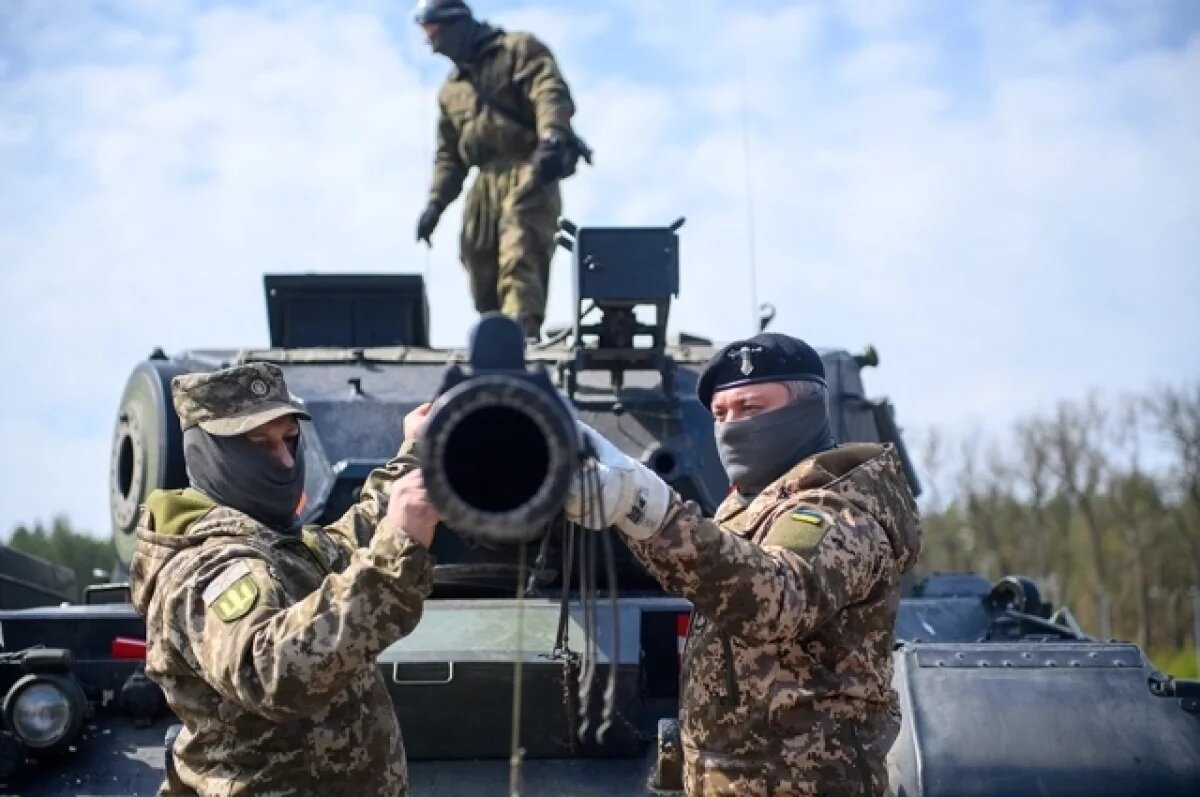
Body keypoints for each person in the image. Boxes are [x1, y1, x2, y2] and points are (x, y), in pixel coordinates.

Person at [564, 333, 923, 796]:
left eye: (751, 409)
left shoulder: (840, 510)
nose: (731, 427)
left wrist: (645, 510)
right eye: (720, 414)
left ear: (805, 411)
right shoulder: (750, 507)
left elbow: (777, 596)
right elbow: (721, 572)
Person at [129, 362, 439, 796]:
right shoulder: (205, 569)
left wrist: (415, 455)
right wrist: (397, 551)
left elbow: (355, 536)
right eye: (261, 444)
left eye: (290, 439)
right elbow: (270, 672)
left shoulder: (282, 543)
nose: (285, 459)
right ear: (209, 453)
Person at [412, 0, 582, 342]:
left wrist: (552, 137)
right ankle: (497, 336)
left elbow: (548, 91)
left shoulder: (516, 50)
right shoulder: (451, 91)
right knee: (477, 256)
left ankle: (521, 331)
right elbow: (449, 155)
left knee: (519, 248)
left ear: (454, 25)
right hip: (483, 181)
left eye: (434, 33)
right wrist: (435, 204)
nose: (431, 44)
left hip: (528, 166)